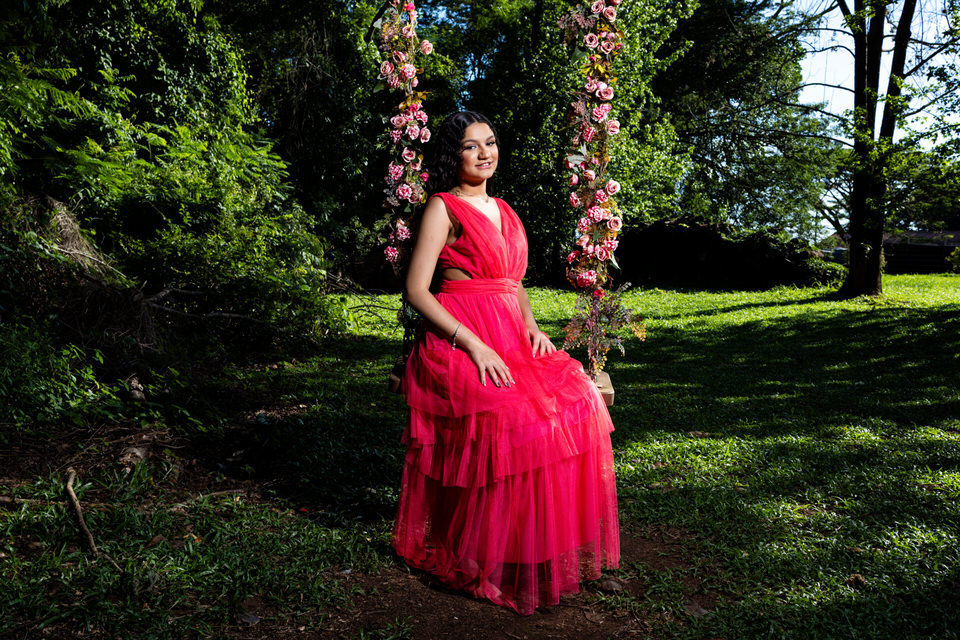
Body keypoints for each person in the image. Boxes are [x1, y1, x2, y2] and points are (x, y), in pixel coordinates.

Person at [391, 110, 620, 615]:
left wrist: (533, 327)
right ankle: (482, 550)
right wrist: (473, 345)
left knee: (577, 398)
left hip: (512, 337)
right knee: (514, 415)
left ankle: (528, 547)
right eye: (472, 147)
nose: (485, 153)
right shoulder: (443, 207)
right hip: (460, 340)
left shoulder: (506, 209)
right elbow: (415, 290)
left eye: (490, 142)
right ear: (454, 157)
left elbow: (513, 284)